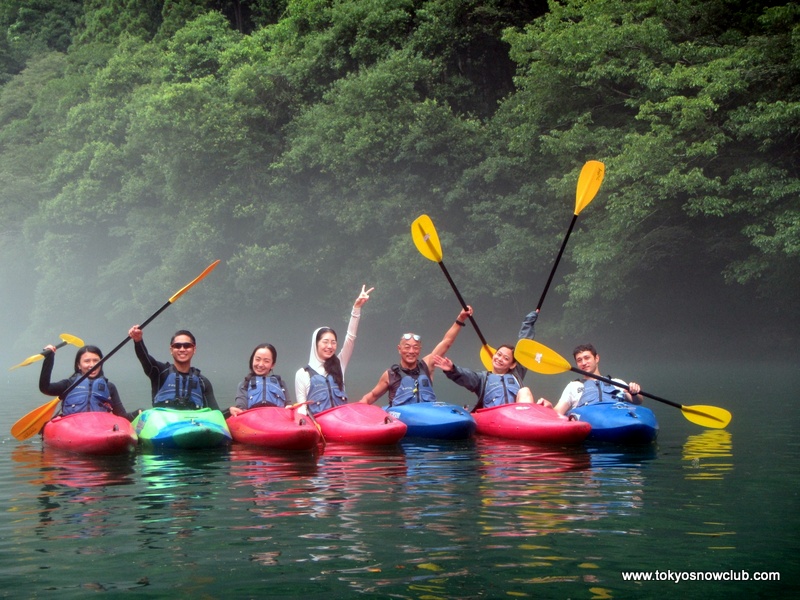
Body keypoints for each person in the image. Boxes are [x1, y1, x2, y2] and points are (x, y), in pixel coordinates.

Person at [430, 310, 552, 410]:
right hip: (495, 416)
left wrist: (529, 321)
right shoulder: (483, 378)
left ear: (512, 364)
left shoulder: (517, 373)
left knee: (525, 390)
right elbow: (466, 375)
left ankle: (526, 421)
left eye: (506, 358)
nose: (500, 359)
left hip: (518, 414)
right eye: (498, 354)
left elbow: (525, 346)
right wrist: (452, 369)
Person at [358, 305, 474, 407]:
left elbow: (447, 342)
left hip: (426, 419)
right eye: (407, 347)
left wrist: (461, 319)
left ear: (420, 350)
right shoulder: (390, 375)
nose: (411, 351)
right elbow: (371, 396)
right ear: (400, 349)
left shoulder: (427, 365)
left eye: (415, 347)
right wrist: (354, 410)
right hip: (402, 421)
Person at [294, 285, 373, 415]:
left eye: (333, 342)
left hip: (342, 422)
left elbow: (350, 338)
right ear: (316, 344)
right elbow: (302, 409)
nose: (330, 346)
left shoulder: (339, 364)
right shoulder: (302, 374)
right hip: (319, 426)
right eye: (325, 342)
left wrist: (356, 308)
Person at [127, 326, 220, 410]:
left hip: (192, 426)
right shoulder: (160, 372)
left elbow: (215, 413)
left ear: (194, 349)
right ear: (171, 350)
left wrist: (229, 411)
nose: (182, 349)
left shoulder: (203, 382)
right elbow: (144, 358)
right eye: (177, 346)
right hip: (165, 427)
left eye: (187, 346)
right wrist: (138, 341)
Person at [38, 344, 139, 420]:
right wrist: (49, 358)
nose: (92, 365)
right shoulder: (69, 384)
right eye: (87, 361)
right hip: (72, 429)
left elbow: (121, 416)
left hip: (99, 428)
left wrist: (138, 414)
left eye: (96, 361)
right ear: (79, 365)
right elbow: (44, 388)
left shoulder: (109, 387)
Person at [552, 343, 642, 415]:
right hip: (589, 423)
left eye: (587, 358)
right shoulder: (573, 386)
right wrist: (547, 408)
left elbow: (637, 401)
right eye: (579, 360)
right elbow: (557, 412)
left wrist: (634, 392)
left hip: (617, 417)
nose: (583, 363)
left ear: (597, 358)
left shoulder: (616, 383)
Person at [229, 344, 289, 416]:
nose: (260, 364)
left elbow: (288, 405)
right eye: (257, 359)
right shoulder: (244, 385)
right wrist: (236, 410)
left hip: (277, 421)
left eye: (266, 361)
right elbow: (241, 407)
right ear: (252, 360)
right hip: (253, 422)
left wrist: (290, 407)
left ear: (272, 365)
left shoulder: (281, 384)